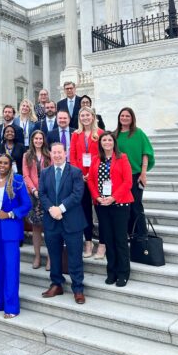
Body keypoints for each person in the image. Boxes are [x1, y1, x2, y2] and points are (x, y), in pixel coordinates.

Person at [39, 143, 87, 304]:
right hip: (51, 221)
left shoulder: (75, 172)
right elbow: (42, 194)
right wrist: (51, 209)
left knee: (75, 256)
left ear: (65, 153)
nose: (57, 155)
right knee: (54, 255)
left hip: (72, 222)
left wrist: (60, 208)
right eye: (54, 152)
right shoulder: (45, 173)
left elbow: (77, 194)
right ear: (50, 154)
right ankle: (56, 284)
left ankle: (78, 288)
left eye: (60, 152)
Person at [0, 154, 31, 318]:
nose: (2, 165)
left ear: (10, 165)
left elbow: (27, 204)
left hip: (9, 227)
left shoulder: (17, 180)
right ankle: (2, 302)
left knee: (10, 267)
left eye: (5, 163)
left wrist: (10, 214)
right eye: (0, 163)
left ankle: (12, 307)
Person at [88, 132, 133, 287]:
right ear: (100, 143)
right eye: (104, 140)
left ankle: (123, 272)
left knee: (120, 239)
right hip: (102, 205)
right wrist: (97, 197)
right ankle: (112, 271)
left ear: (114, 142)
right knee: (108, 239)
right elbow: (91, 180)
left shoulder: (122, 158)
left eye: (109, 140)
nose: (107, 142)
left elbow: (128, 182)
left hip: (119, 204)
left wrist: (113, 197)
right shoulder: (96, 159)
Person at [70, 107, 105, 259]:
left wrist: (92, 173)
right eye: (82, 115)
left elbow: (103, 154)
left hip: (97, 177)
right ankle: (89, 242)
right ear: (79, 118)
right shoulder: (75, 134)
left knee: (101, 212)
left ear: (93, 116)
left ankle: (102, 244)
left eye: (87, 115)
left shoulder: (101, 133)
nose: (85, 118)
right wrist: (80, 174)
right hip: (81, 178)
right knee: (85, 212)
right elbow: (72, 156)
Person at [115, 107, 155, 236]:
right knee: (123, 206)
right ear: (119, 118)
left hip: (135, 175)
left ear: (132, 118)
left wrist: (143, 173)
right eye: (122, 116)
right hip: (119, 177)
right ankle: (127, 233)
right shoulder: (115, 135)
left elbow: (146, 153)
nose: (124, 118)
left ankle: (141, 235)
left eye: (128, 116)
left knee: (136, 205)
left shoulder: (138, 133)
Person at [22, 131, 51, 270]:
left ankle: (50, 258)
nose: (38, 141)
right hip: (33, 195)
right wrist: (34, 190)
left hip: (48, 194)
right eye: (36, 138)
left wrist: (44, 191)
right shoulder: (27, 155)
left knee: (49, 227)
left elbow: (52, 173)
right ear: (32, 140)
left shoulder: (49, 154)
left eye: (40, 138)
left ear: (43, 140)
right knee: (36, 227)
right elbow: (26, 175)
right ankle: (37, 256)